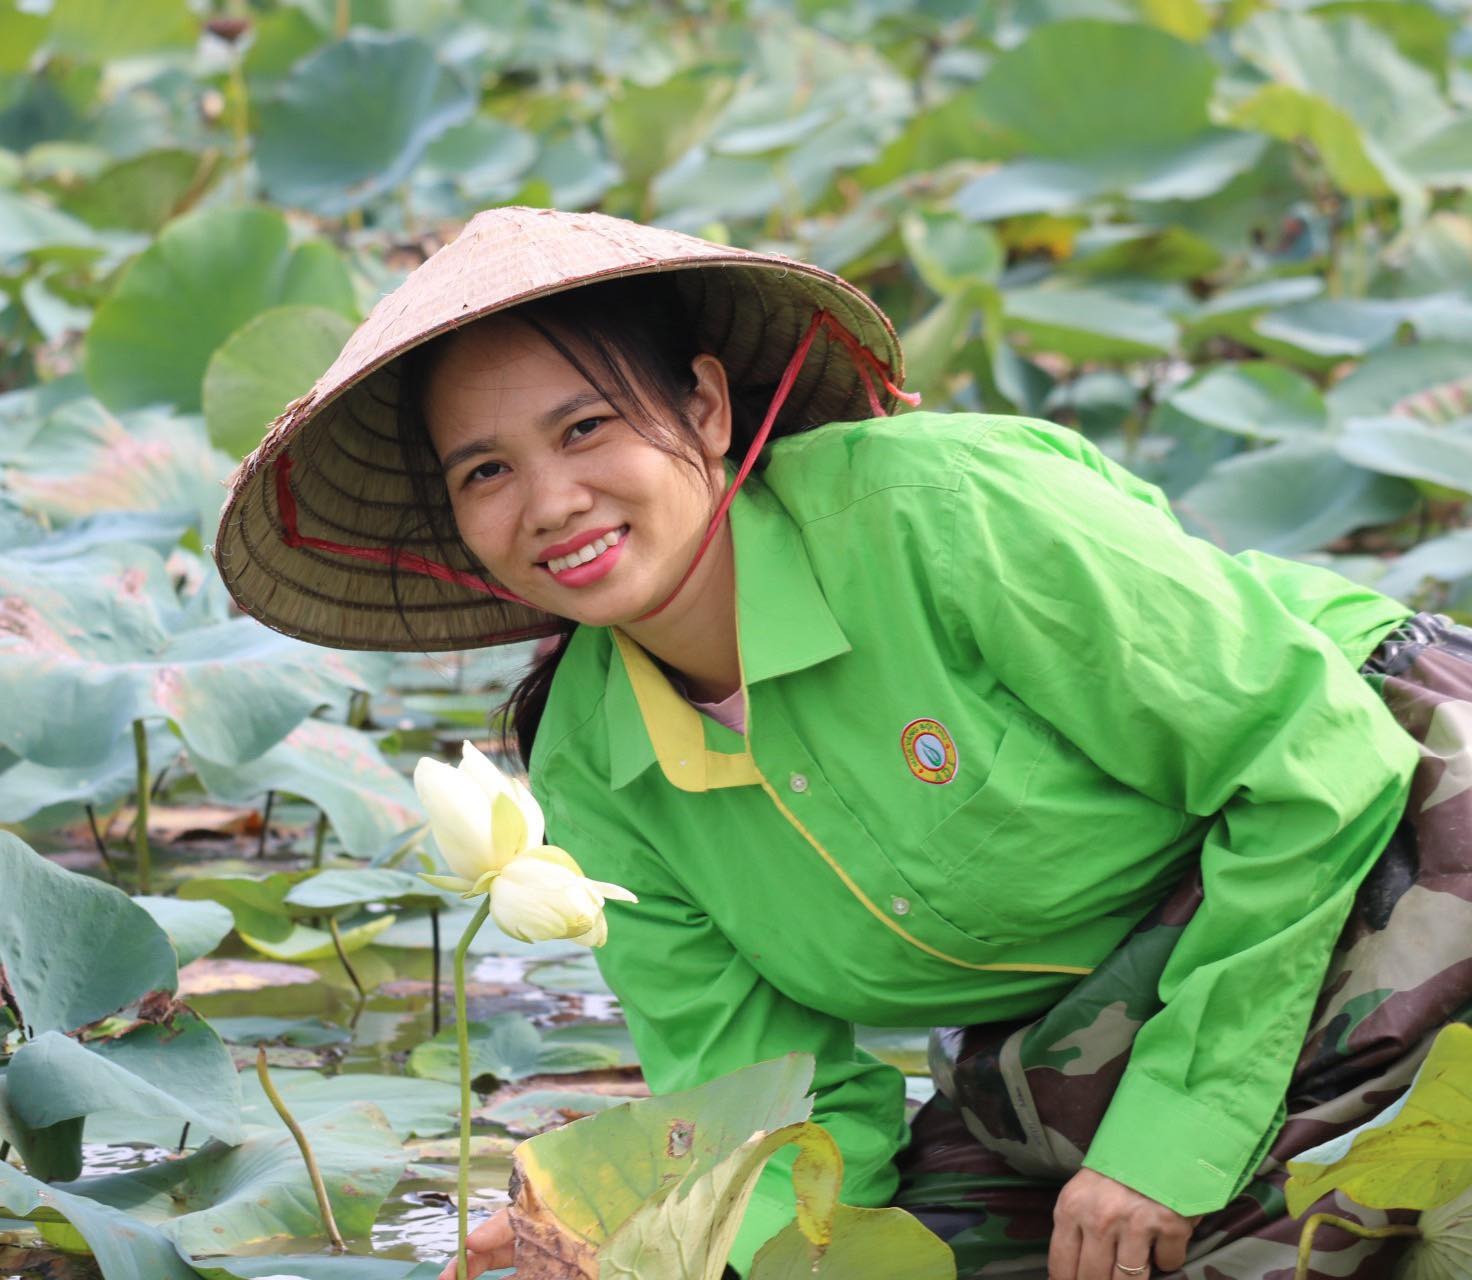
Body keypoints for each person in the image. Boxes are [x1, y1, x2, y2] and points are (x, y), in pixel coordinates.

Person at [214, 207, 1472, 1280]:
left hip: (1383, 799)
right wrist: (630, 1239)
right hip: (1087, 1017)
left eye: (586, 427)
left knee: (1238, 1231)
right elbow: (779, 1107)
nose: (551, 502)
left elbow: (1311, 762)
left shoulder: (947, 514)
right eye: (487, 470)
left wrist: (1166, 1145)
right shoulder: (595, 757)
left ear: (704, 404)